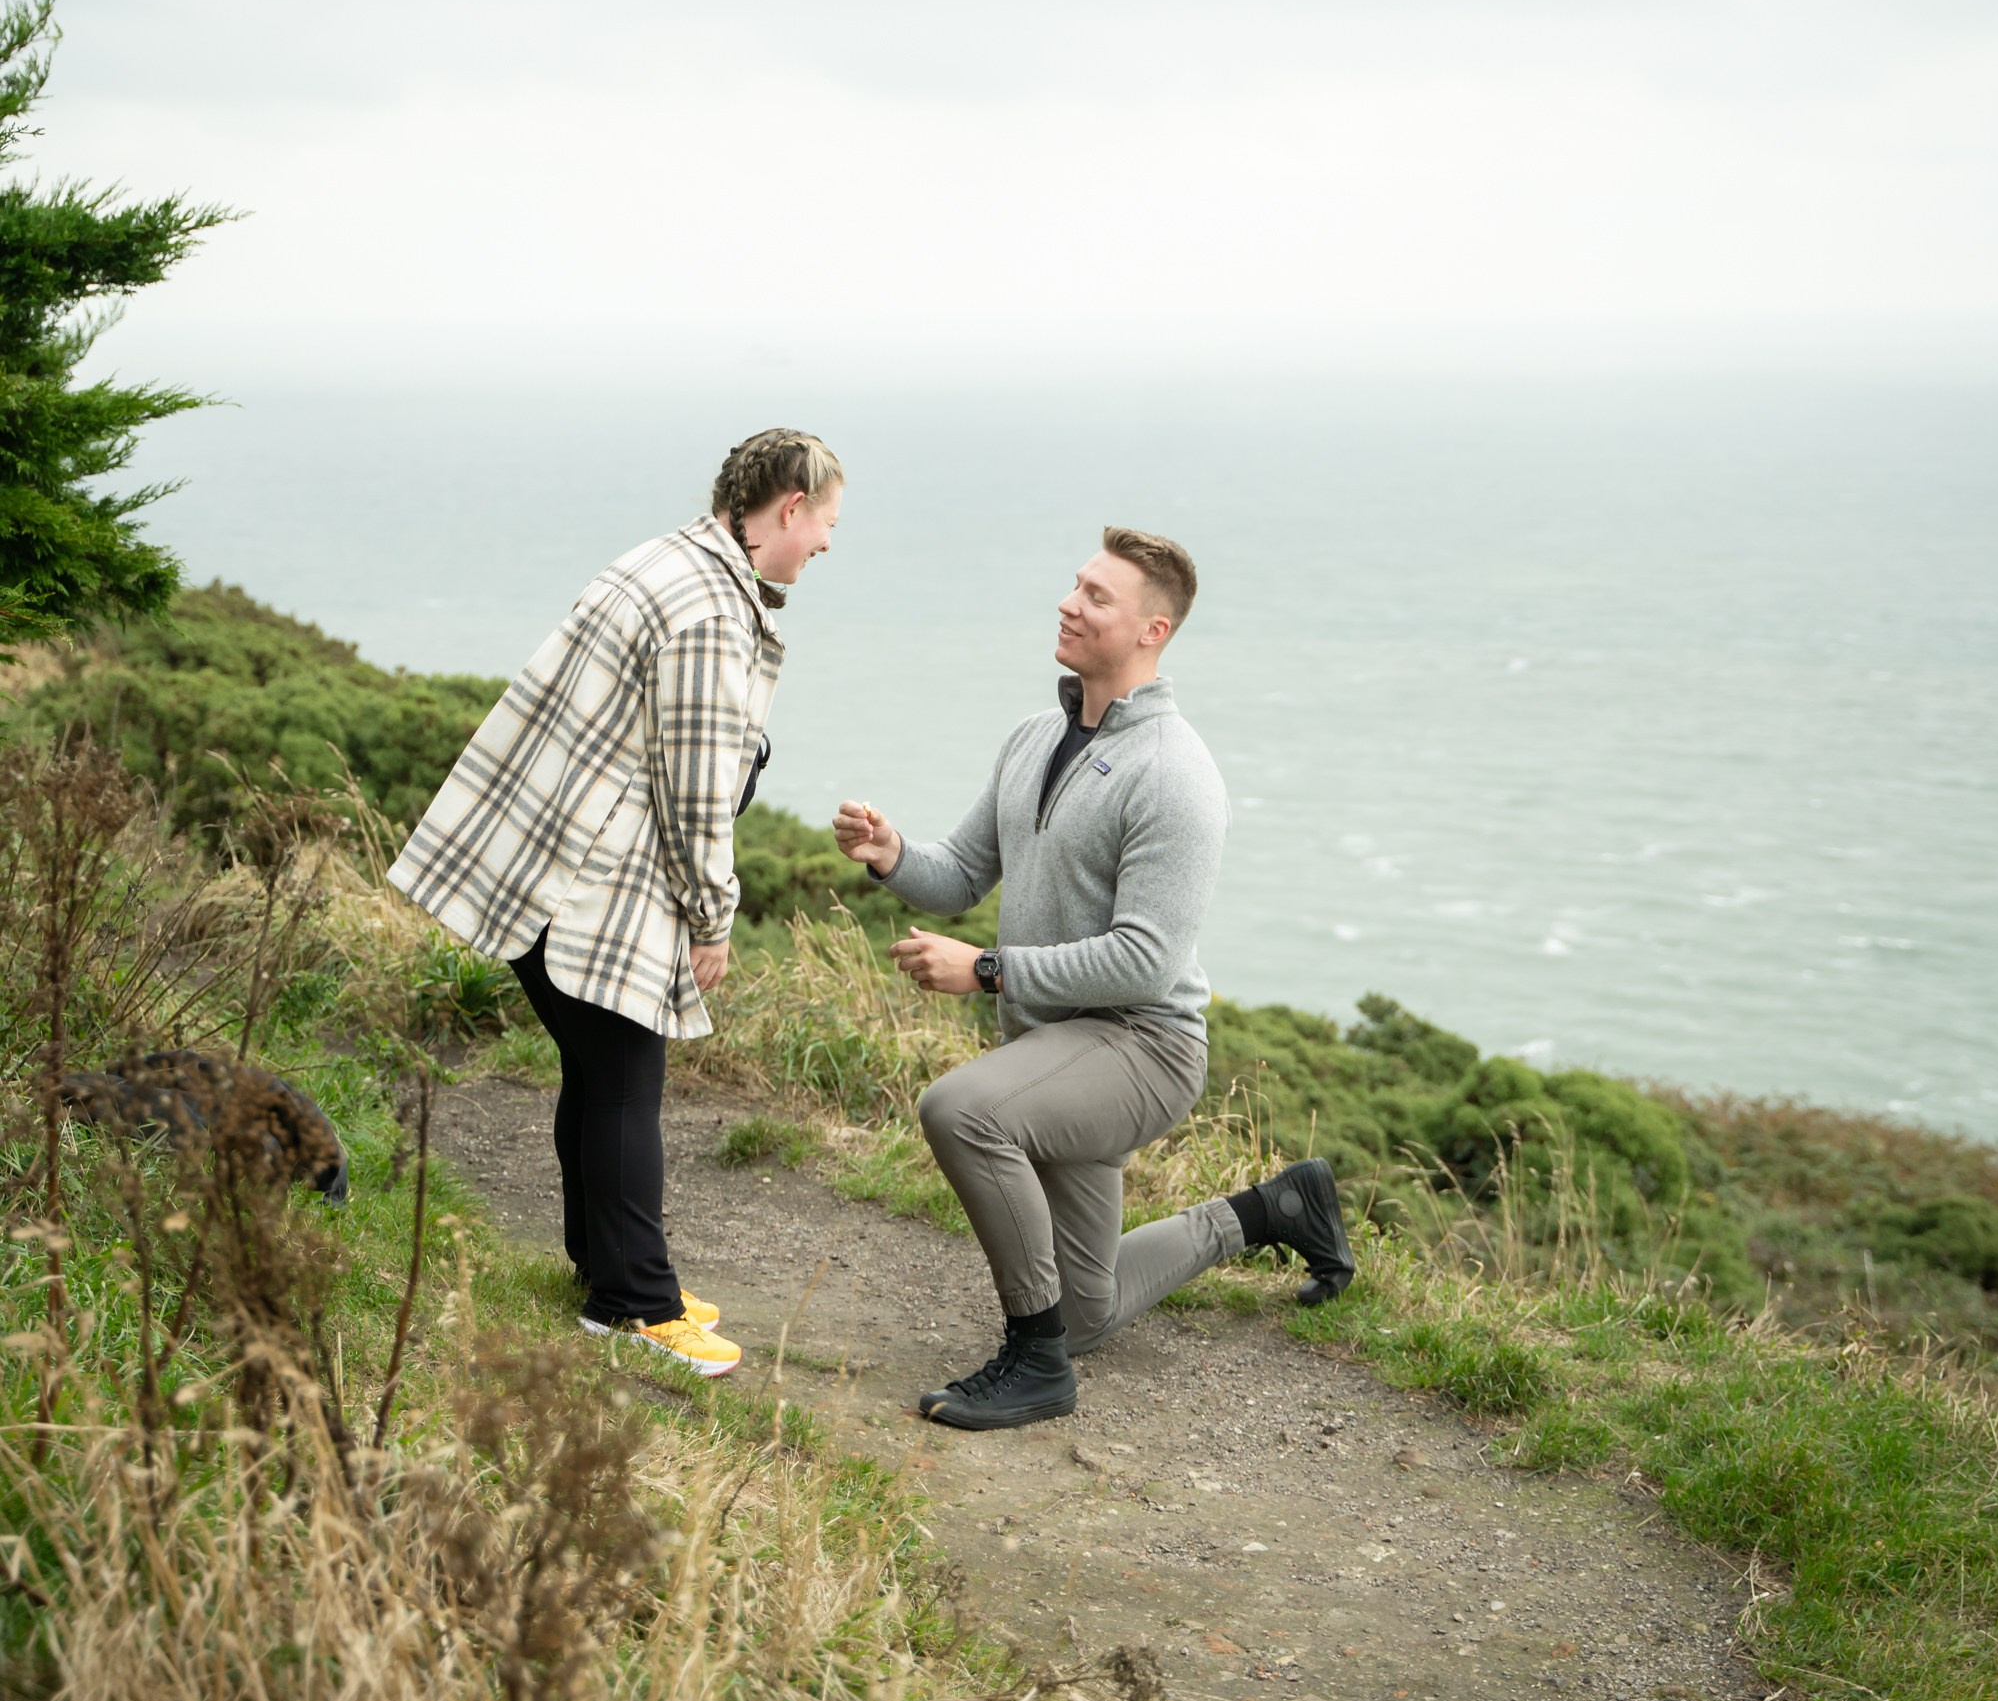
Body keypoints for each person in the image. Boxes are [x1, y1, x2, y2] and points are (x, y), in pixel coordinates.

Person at [832, 527, 1352, 1429]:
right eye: (1075, 586)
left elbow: (1146, 957)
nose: (1070, 604)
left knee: (962, 1110)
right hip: (1056, 1048)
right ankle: (1274, 1209)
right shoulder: (1035, 737)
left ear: (1153, 631)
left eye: (1097, 597)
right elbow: (960, 872)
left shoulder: (1175, 774)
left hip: (1140, 1047)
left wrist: (986, 970)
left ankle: (1034, 1368)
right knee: (1088, 1312)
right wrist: (892, 855)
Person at [389, 427, 843, 1373]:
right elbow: (695, 788)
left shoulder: (664, 559)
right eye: (827, 522)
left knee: (599, 1076)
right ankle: (639, 1306)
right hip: (591, 883)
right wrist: (711, 919)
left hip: (536, 860)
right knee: (628, 1084)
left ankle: (607, 1271)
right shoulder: (713, 613)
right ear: (789, 507)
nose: (828, 544)